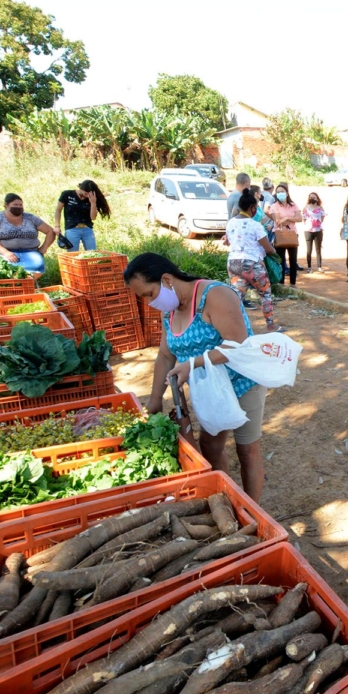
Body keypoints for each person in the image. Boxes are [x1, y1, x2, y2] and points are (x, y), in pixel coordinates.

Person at [124, 253, 269, 502]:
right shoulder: (169, 309)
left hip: (243, 383)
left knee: (247, 450)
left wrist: (193, 364)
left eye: (148, 294)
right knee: (211, 447)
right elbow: (165, 354)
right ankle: (229, 500)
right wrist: (155, 399)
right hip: (210, 391)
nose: (149, 302)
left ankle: (253, 509)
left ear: (167, 279)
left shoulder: (215, 295)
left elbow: (237, 345)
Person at [225, 189, 280, 332]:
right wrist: (275, 254)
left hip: (233, 263)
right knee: (265, 293)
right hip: (252, 264)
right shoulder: (255, 225)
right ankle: (271, 325)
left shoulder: (231, 223)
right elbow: (268, 249)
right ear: (252, 208)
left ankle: (230, 327)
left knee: (236, 297)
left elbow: (230, 241)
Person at [0, 194, 57, 276]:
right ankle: (16, 286)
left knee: (37, 264)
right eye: (15, 205)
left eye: (20, 205)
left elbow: (50, 231)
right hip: (7, 251)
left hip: (31, 251)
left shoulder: (30, 218)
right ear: (6, 205)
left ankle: (27, 285)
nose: (18, 207)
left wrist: (44, 248)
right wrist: (5, 252)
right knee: (8, 269)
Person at [54, 180, 110, 251]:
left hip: (87, 228)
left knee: (92, 252)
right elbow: (58, 210)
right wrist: (57, 226)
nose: (86, 196)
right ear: (81, 188)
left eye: (88, 194)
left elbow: (93, 217)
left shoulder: (91, 198)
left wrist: (93, 203)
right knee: (72, 254)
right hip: (72, 228)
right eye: (85, 193)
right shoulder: (67, 194)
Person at [269, 184, 303, 287]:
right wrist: (289, 219)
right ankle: (281, 283)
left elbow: (300, 218)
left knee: (293, 260)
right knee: (281, 260)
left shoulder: (293, 204)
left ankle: (293, 283)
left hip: (292, 234)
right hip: (280, 235)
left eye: (282, 191)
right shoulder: (274, 206)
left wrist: (286, 218)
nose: (280, 194)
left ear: (287, 193)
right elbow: (278, 221)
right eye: (278, 192)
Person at [301, 192, 326, 273]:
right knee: (309, 249)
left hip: (318, 231)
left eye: (314, 197)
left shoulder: (320, 208)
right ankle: (309, 267)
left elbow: (322, 218)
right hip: (308, 231)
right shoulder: (305, 208)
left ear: (317, 199)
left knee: (318, 249)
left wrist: (317, 224)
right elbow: (304, 218)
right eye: (311, 197)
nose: (312, 198)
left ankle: (319, 266)